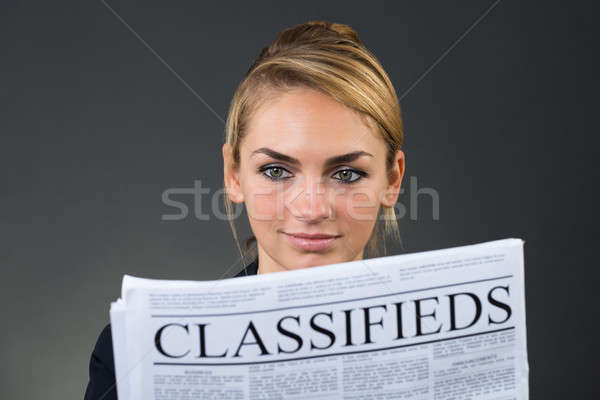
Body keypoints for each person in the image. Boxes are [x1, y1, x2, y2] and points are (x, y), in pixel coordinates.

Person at [84, 20, 405, 399]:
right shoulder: (132, 354)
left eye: (347, 173)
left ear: (392, 180)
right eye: (276, 171)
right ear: (233, 175)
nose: (312, 208)